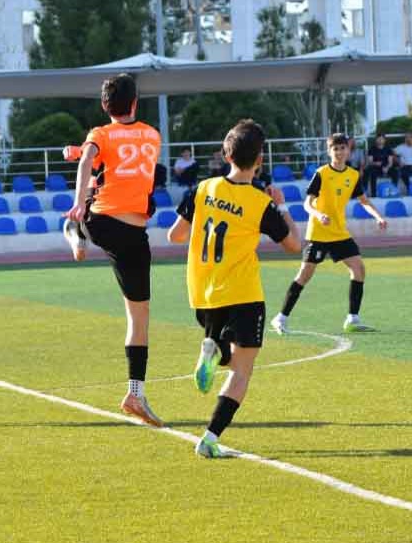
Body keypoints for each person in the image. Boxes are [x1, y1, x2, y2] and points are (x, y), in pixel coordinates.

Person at [167, 119, 302, 458]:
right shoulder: (260, 203)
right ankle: (210, 439)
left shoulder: (203, 188)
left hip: (202, 294)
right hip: (242, 294)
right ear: (260, 160)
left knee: (232, 357)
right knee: (242, 371)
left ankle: (215, 351)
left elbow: (175, 235)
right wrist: (282, 206)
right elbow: (293, 245)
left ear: (226, 155)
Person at [63, 73, 165, 427]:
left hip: (103, 223)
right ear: (135, 102)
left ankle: (76, 229)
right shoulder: (153, 135)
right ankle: (135, 393)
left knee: (98, 185)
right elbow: (126, 161)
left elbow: (93, 160)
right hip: (131, 232)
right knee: (139, 319)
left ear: (105, 106)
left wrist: (79, 200)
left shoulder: (100, 134)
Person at [272, 133, 388, 336]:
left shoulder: (353, 175)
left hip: (339, 233)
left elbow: (364, 201)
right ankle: (281, 318)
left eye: (343, 148)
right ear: (329, 151)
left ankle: (352, 319)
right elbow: (307, 204)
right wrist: (318, 214)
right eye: (335, 149)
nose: (339, 152)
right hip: (318, 233)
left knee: (359, 269)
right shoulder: (322, 173)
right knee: (305, 275)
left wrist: (378, 217)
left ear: (348, 150)